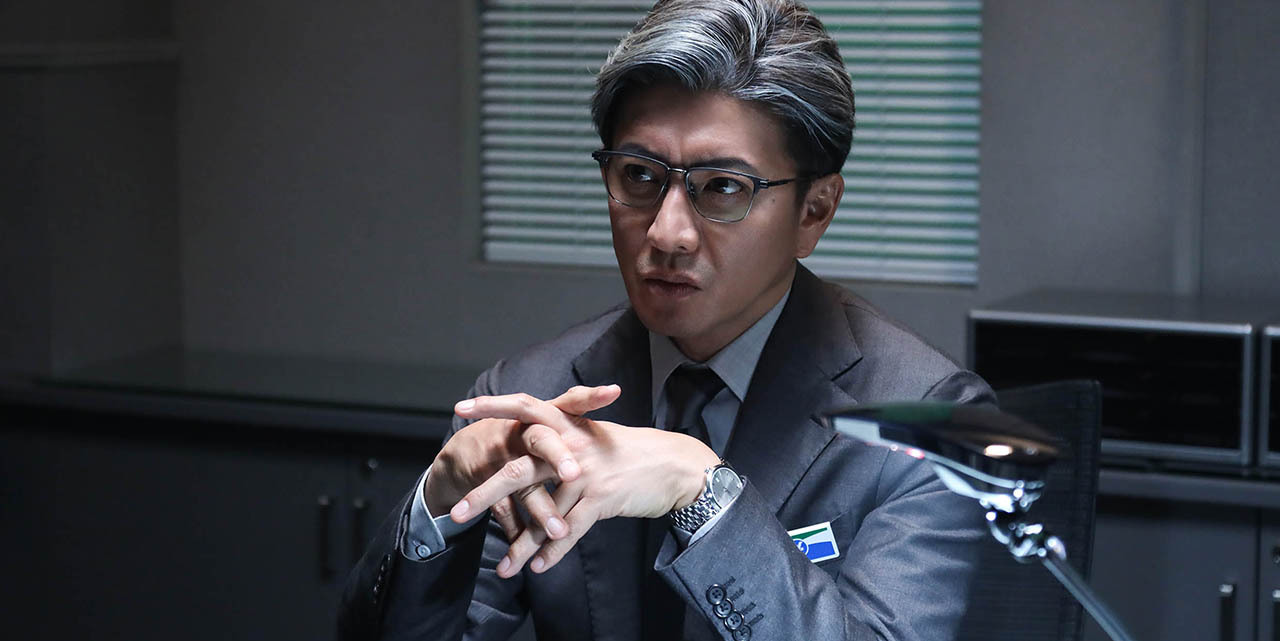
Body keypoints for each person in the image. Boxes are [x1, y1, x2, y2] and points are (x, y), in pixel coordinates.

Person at [340, 1, 994, 639]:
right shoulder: (528, 394)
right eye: (639, 175)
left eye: (724, 187)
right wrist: (436, 509)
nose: (667, 232)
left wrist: (702, 490)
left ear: (814, 211)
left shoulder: (929, 423)